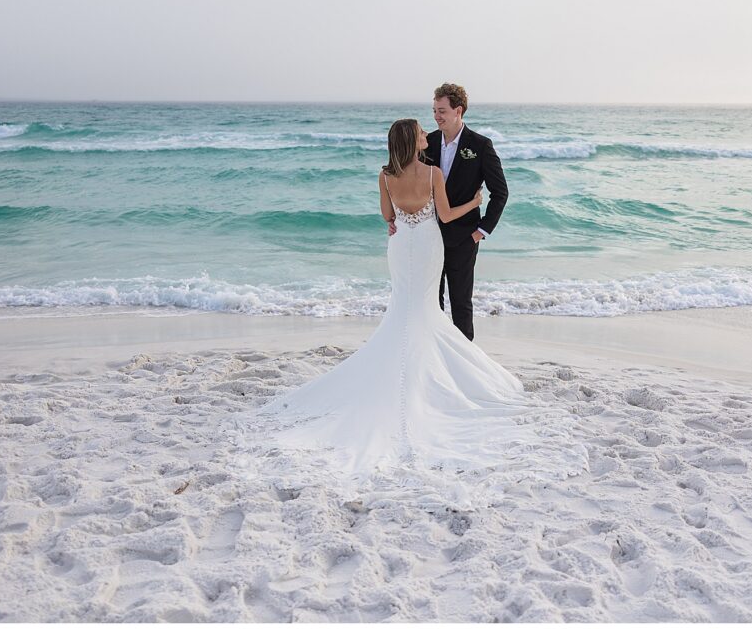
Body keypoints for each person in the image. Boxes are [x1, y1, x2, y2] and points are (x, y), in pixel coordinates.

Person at [230, 118, 545, 487]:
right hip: (429, 246)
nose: (428, 134)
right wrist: (475, 202)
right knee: (427, 311)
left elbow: (388, 217)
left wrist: (400, 219)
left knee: (404, 311)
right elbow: (444, 215)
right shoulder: (432, 175)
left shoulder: (384, 176)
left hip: (400, 248)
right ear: (413, 142)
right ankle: (433, 383)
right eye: (422, 133)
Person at [388, 83, 509, 341]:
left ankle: (466, 363)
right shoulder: (426, 142)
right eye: (434, 110)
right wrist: (398, 218)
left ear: (459, 111)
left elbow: (500, 193)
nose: (436, 116)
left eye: (442, 110)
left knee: (461, 303)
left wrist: (481, 231)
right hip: (428, 236)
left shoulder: (480, 145)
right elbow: (407, 179)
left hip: (464, 238)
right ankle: (436, 358)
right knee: (432, 302)